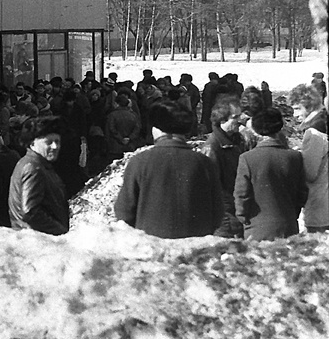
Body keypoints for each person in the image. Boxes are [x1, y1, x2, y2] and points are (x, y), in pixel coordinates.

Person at [114, 101, 224, 239]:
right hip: (194, 251)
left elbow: (124, 212)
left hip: (153, 251)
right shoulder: (204, 163)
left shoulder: (139, 162)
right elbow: (218, 213)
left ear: (156, 129)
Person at [234, 108, 308, 241]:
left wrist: (243, 218)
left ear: (256, 130)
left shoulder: (247, 158)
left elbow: (242, 195)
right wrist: (292, 214)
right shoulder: (294, 156)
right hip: (288, 225)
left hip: (257, 228)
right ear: (279, 127)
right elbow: (302, 192)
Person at [8, 116, 69, 235]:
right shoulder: (33, 168)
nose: (55, 147)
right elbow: (31, 212)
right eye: (49, 142)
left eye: (57, 141)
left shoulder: (36, 164)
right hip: (37, 242)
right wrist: (61, 232)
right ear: (32, 143)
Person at [202, 96, 245, 238]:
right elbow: (212, 188)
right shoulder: (213, 147)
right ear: (222, 120)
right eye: (235, 117)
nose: (240, 120)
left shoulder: (236, 140)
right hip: (226, 218)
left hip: (238, 210)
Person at [104, 93, 140, 162]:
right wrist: (129, 138)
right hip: (130, 146)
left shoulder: (112, 115)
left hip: (114, 147)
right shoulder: (133, 115)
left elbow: (111, 129)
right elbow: (137, 129)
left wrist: (120, 138)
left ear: (117, 103)